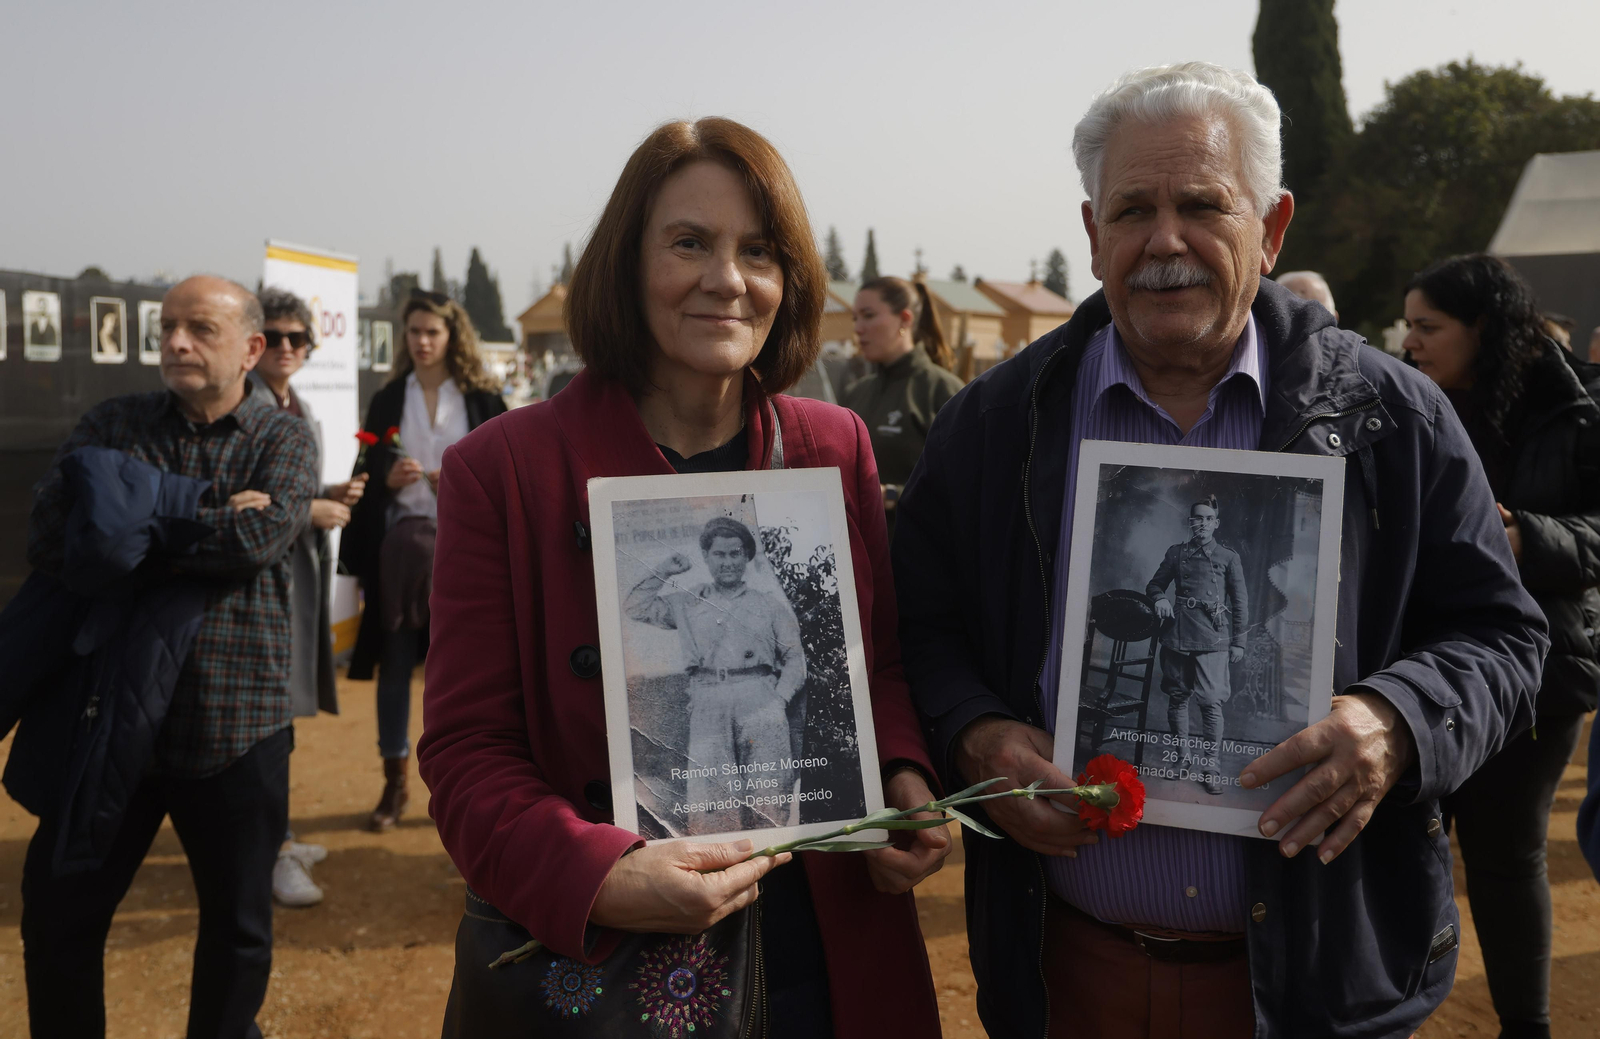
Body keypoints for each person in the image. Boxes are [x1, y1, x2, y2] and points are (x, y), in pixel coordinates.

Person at [893, 62, 1548, 1039]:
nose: (1165, 241)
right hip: (1069, 978)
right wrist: (975, 735)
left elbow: (1503, 636)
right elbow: (922, 624)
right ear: (1092, 234)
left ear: (1271, 228)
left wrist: (1396, 719)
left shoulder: (1393, 418)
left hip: (1318, 986)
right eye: (1133, 210)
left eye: (1202, 205)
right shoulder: (994, 423)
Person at [417, 116, 947, 1039]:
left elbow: (876, 664)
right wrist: (595, 875)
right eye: (690, 242)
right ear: (626, 263)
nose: (727, 279)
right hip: (621, 969)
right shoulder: (503, 469)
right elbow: (468, 750)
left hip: (827, 939)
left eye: (759, 250)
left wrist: (898, 765)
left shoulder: (834, 446)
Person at [16, 275, 317, 1038]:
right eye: (169, 327)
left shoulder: (281, 437)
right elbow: (52, 538)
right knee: (57, 920)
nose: (177, 342)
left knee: (238, 929)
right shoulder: (112, 421)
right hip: (108, 718)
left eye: (200, 328)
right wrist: (203, 510)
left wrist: (131, 517)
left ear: (251, 348)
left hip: (235, 722)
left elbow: (257, 540)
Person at [1402, 253, 1600, 1039]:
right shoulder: (1402, 404)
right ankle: (1387, 1015)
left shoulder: (1579, 410)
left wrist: (1528, 538)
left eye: (1428, 326)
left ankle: (1528, 1026)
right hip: (1423, 669)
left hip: (1545, 673)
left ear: (1482, 329)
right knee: (1405, 851)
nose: (1410, 342)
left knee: (1505, 856)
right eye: (1407, 326)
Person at [340, 289, 506, 832]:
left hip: (473, 555)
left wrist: (462, 481)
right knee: (395, 664)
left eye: (432, 331)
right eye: (414, 331)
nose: (423, 341)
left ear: (452, 335)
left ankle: (469, 787)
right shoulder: (389, 398)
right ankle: (394, 783)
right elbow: (365, 476)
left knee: (470, 674)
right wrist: (386, 482)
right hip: (402, 554)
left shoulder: (482, 397)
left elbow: (508, 472)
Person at [249, 287, 369, 906]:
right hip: (255, 593)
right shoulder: (242, 405)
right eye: (273, 336)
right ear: (252, 342)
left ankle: (280, 836)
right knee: (265, 728)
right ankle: (269, 851)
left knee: (281, 726)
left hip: (293, 583)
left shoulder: (295, 404)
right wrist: (310, 511)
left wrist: (326, 494)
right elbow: (239, 506)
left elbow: (277, 492)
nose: (286, 347)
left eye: (297, 337)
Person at [625, 516, 807, 834]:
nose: (727, 562)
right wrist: (664, 570)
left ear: (746, 557)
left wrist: (779, 700)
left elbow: (795, 659)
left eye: (735, 553)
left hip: (761, 699)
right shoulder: (688, 602)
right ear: (707, 557)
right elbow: (635, 607)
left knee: (768, 795)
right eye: (719, 554)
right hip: (708, 700)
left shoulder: (768, 605)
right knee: (712, 799)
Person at [840, 276, 964, 529]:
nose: (858, 328)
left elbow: (966, 484)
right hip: (858, 547)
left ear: (905, 319)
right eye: (855, 318)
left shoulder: (944, 392)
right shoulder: (856, 393)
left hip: (916, 547)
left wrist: (892, 495)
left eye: (868, 315)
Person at [1145, 496, 1248, 796]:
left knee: (1211, 703)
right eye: (1197, 518)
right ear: (1190, 522)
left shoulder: (1228, 558)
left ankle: (1211, 767)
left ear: (1216, 523)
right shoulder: (1176, 553)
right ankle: (1182, 759)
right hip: (1178, 635)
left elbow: (1240, 604)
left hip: (1213, 637)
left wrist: (1239, 642)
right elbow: (1154, 584)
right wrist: (1160, 598)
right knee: (1178, 699)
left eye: (1208, 518)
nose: (1202, 523)